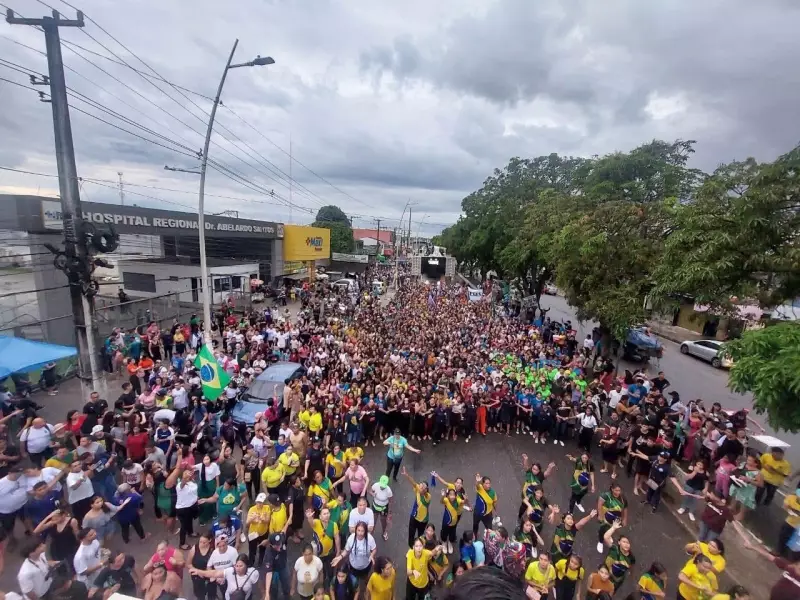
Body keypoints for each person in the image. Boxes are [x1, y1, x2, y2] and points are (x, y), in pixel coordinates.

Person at [190, 552, 260, 600]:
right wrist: (199, 572)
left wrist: (264, 594)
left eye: (241, 566)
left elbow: (259, 583)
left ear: (246, 565)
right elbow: (215, 573)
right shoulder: (230, 571)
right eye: (236, 565)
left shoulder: (253, 573)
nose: (237, 568)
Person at [401, 467, 432, 548]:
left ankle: (418, 548)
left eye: (423, 487)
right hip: (414, 517)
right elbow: (414, 483)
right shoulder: (418, 490)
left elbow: (424, 492)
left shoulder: (428, 496)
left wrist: (423, 488)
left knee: (420, 536)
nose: (420, 488)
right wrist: (407, 475)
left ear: (426, 489)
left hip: (423, 520)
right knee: (411, 535)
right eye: (420, 486)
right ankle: (411, 548)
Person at [263, 533, 291, 600]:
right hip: (274, 571)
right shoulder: (269, 555)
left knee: (286, 584)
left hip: (284, 566)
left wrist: (288, 523)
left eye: (279, 544)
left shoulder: (282, 538)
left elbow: (283, 531)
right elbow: (269, 573)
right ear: (271, 545)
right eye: (276, 546)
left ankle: (287, 597)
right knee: (274, 588)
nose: (279, 547)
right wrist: (267, 593)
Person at [187, 533, 214, 600]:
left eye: (204, 542)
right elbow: (188, 564)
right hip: (197, 575)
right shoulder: (194, 548)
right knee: (200, 595)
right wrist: (198, 572)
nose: (201, 544)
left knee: (211, 593)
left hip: (209, 574)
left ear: (209, 540)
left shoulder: (213, 550)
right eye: (200, 542)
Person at [368, 475, 393, 541]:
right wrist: (372, 494)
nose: (382, 487)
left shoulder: (388, 491)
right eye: (381, 485)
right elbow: (370, 491)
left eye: (383, 486)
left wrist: (390, 512)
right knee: (373, 521)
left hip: (383, 508)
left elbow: (390, 501)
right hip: (375, 506)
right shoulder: (375, 485)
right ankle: (371, 535)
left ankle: (384, 532)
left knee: (383, 521)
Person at [473, 473, 498, 537]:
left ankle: (490, 541)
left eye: (489, 483)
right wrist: (477, 481)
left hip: (487, 514)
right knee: (475, 525)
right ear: (482, 484)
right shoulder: (480, 488)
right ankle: (475, 536)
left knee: (489, 529)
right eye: (486, 483)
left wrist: (495, 511)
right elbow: (476, 485)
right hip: (477, 512)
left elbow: (494, 502)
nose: (488, 485)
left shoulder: (493, 492)